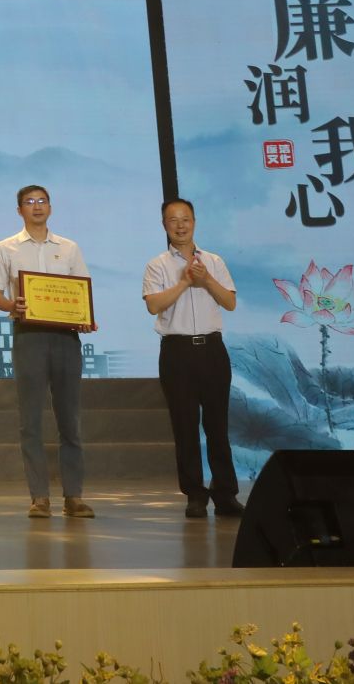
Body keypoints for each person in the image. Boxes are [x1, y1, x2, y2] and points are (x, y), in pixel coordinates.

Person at [0, 183, 95, 519]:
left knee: (70, 421)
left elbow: (81, 293)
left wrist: (85, 318)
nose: (37, 206)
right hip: (29, 336)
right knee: (30, 421)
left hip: (66, 338)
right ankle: (39, 497)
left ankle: (74, 496)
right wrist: (13, 306)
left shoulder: (69, 248)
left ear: (50, 207)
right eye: (30, 202)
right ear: (19, 210)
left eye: (42, 201)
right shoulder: (5, 248)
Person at [141, 197, 244, 519]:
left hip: (212, 350)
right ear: (164, 226)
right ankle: (195, 495)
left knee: (217, 426)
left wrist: (206, 280)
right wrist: (185, 282)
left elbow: (230, 303)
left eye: (185, 219)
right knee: (185, 427)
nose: (180, 225)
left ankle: (225, 494)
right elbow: (154, 305)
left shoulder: (214, 261)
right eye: (173, 220)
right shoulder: (157, 265)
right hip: (177, 352)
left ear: (194, 222)